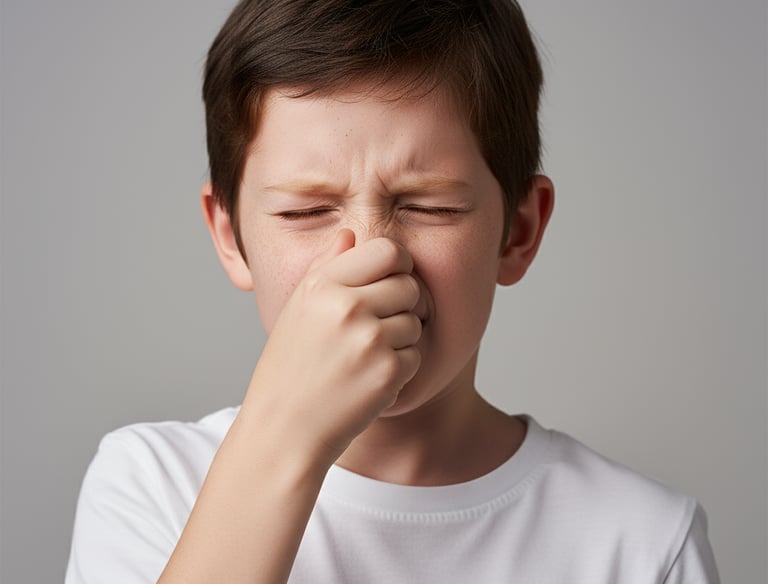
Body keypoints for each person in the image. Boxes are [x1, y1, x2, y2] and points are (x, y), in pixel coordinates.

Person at [66, 1, 720, 582]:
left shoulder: (644, 542)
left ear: (518, 231)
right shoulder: (151, 486)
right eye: (304, 211)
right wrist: (288, 436)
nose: (371, 262)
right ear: (229, 234)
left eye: (430, 208)